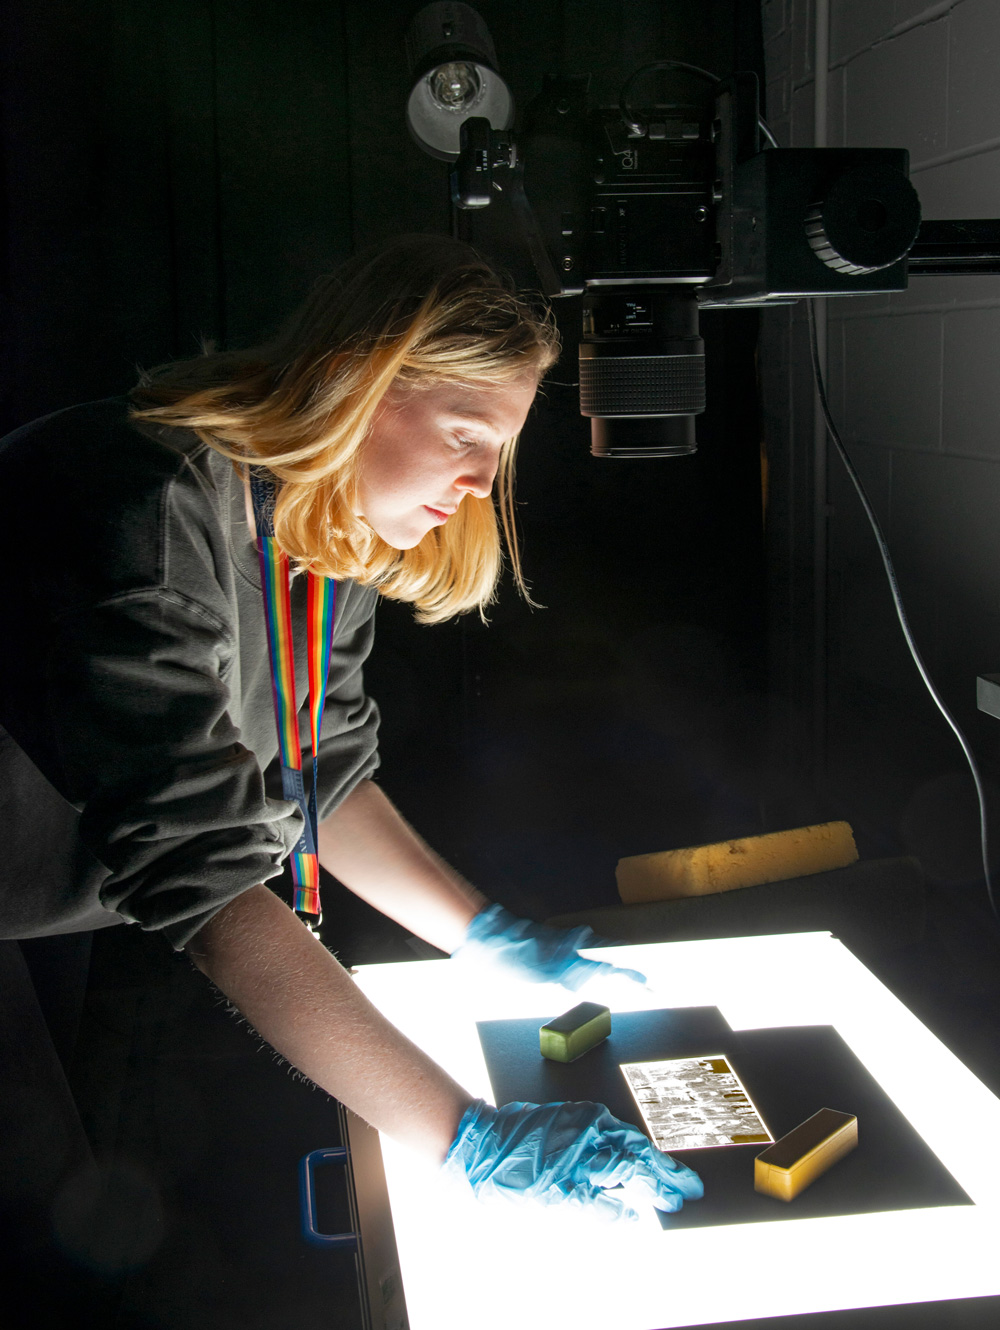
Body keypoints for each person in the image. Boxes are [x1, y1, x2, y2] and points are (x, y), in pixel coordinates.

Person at [0, 234, 703, 1223]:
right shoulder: (143, 511)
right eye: (465, 435)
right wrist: (467, 1136)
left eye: (497, 454)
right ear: (353, 382)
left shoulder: (323, 527)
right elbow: (204, 883)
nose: (477, 485)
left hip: (42, 888)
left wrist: (487, 935)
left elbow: (322, 769)